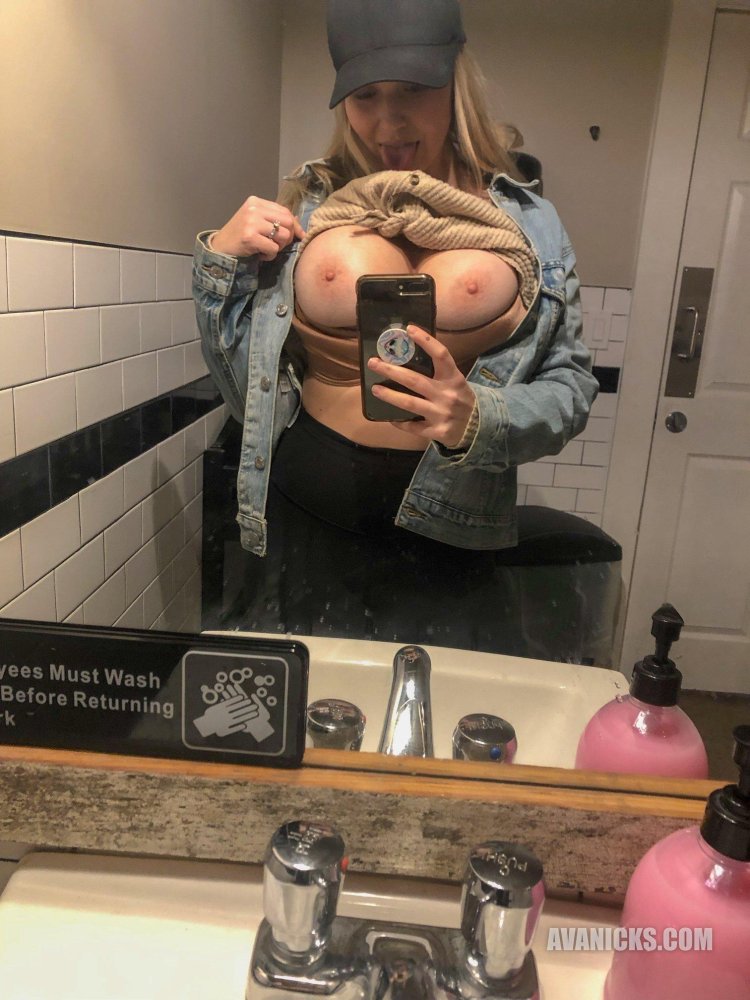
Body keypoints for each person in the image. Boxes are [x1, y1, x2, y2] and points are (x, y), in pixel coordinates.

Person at [193, 0, 598, 650]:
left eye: (412, 89)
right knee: (311, 708)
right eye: (364, 96)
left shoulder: (531, 223)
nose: (388, 121)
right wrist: (220, 265)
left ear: (455, 82)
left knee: (434, 711)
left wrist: (480, 418)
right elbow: (246, 392)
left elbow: (571, 387)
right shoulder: (311, 207)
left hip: (451, 535)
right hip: (305, 512)